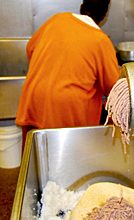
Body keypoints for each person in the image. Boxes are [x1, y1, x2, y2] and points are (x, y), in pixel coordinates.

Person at [16, 0, 120, 152]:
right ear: (104, 15)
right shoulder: (101, 40)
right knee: (67, 159)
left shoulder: (57, 19)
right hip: (66, 111)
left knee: (34, 158)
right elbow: (113, 87)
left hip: (34, 99)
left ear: (82, 6)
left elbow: (30, 47)